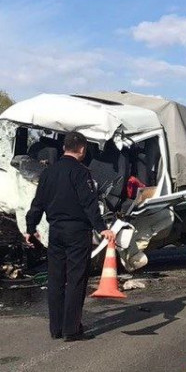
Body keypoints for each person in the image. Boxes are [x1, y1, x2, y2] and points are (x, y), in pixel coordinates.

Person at [24, 132, 115, 342]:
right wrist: (102, 228)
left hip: (55, 231)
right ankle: (71, 329)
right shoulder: (81, 173)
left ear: (64, 147)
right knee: (75, 278)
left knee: (56, 278)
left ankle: (55, 328)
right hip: (77, 232)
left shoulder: (48, 173)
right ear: (82, 149)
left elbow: (37, 203)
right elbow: (89, 204)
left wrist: (31, 227)